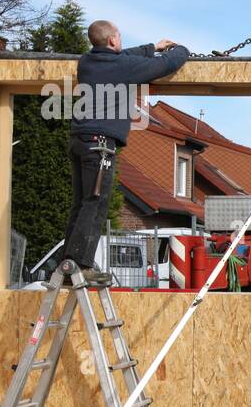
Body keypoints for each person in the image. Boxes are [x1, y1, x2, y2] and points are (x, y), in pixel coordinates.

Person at [63, 20, 189, 284]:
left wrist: (152, 46)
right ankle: (80, 265)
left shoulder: (87, 62)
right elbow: (164, 66)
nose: (120, 41)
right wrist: (181, 50)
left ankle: (68, 264)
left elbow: (124, 56)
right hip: (100, 146)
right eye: (118, 37)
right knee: (95, 204)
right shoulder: (122, 68)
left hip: (79, 141)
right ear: (111, 41)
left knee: (80, 204)